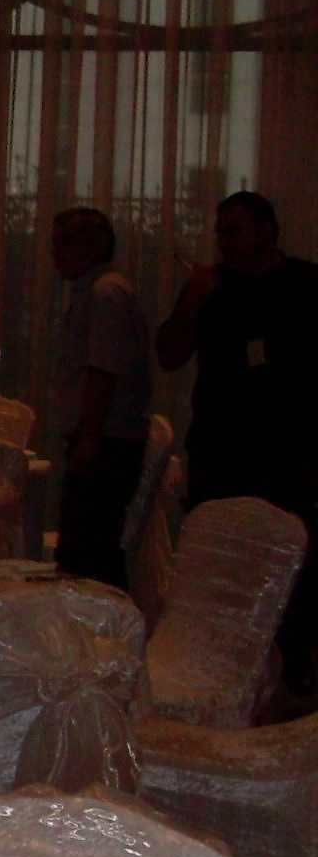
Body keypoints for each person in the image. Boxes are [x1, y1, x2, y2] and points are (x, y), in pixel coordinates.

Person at [157, 190, 318, 691]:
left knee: (293, 577)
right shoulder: (211, 286)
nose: (222, 242)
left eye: (233, 231)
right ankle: (213, 682)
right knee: (220, 572)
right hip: (221, 452)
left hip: (292, 456)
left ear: (266, 231)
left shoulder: (306, 284)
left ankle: (290, 688)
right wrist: (191, 299)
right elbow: (169, 355)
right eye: (219, 232)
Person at [48, 207, 152, 588]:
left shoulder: (106, 294)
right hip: (104, 438)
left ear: (91, 247)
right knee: (90, 548)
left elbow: (102, 370)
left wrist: (89, 439)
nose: (55, 254)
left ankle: (101, 620)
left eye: (63, 244)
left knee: (89, 554)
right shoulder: (98, 291)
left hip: (106, 442)